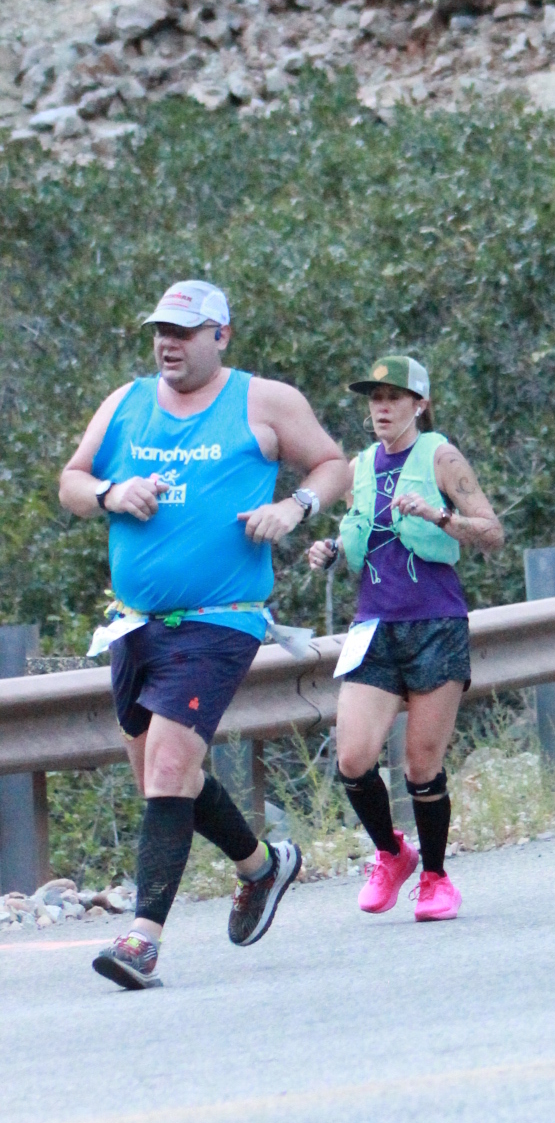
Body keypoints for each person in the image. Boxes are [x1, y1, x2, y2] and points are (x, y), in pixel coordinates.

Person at [58, 279, 348, 991]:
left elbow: (333, 464)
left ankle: (142, 939)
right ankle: (261, 866)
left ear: (221, 335)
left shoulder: (264, 401)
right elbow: (71, 481)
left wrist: (295, 507)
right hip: (136, 625)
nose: (169, 343)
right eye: (162, 330)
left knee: (167, 770)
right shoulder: (125, 404)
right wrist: (109, 493)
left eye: (184, 332)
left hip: (222, 619)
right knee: (165, 780)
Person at [305, 353, 503, 922]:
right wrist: (329, 551)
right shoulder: (358, 467)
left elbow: (492, 533)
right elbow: (357, 534)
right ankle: (392, 854)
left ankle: (437, 878)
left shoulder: (441, 456)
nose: (382, 408)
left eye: (394, 397)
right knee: (352, 758)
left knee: (420, 766)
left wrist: (441, 517)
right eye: (375, 398)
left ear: (420, 404)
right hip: (374, 628)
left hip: (435, 624)